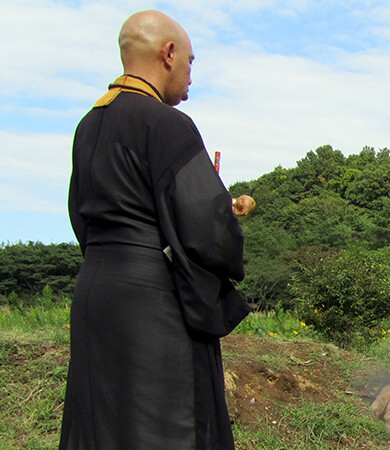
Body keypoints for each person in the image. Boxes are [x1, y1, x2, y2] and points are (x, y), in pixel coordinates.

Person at [60, 10, 251, 449]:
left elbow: (82, 215)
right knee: (166, 425)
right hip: (150, 306)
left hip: (96, 291)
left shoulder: (88, 125)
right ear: (168, 54)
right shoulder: (167, 123)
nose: (190, 76)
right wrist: (225, 220)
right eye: (190, 62)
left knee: (103, 423)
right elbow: (207, 230)